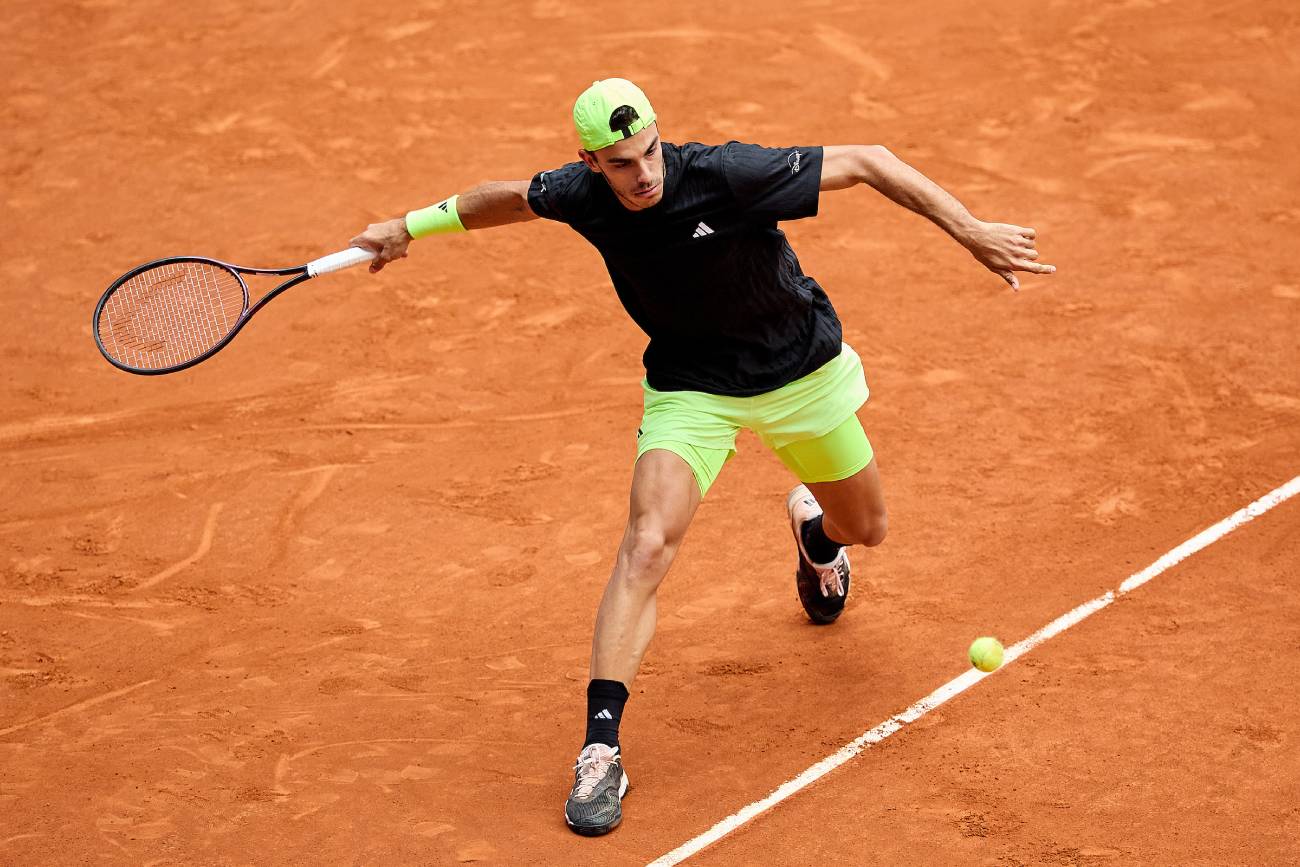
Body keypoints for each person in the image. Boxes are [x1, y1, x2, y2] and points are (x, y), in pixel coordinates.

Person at [349, 78, 1054, 836]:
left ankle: (817, 538)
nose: (643, 173)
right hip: (693, 390)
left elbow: (870, 160)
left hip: (800, 374)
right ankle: (600, 749)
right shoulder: (578, 193)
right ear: (590, 161)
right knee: (647, 543)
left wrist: (971, 228)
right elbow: (504, 198)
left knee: (868, 525)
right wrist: (410, 226)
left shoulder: (727, 175)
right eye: (621, 163)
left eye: (649, 152)